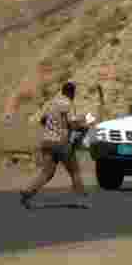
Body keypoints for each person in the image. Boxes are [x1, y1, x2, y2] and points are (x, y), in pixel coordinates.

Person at [20, 82, 92, 210]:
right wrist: (84, 126)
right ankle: (82, 199)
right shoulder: (68, 104)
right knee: (74, 171)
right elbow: (72, 124)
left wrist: (53, 127)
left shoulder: (52, 103)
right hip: (61, 143)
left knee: (46, 173)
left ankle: (28, 192)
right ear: (72, 93)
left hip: (47, 141)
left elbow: (43, 120)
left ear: (62, 91)